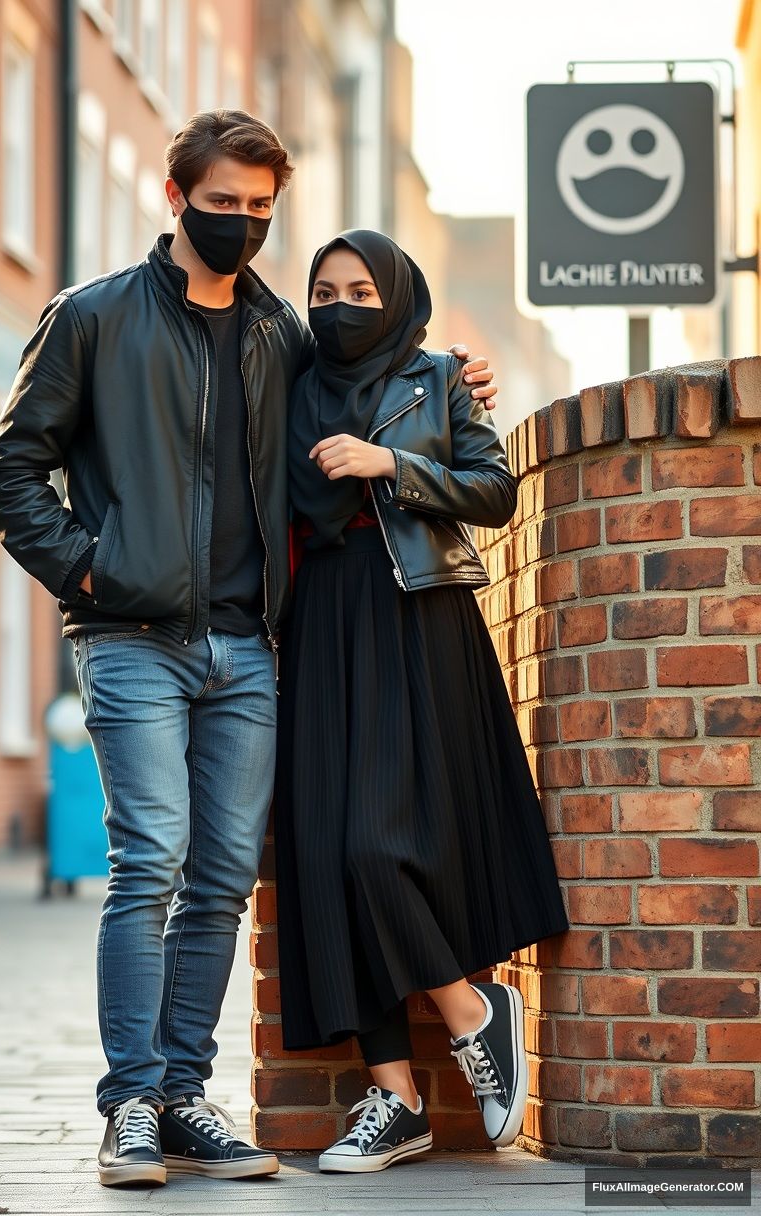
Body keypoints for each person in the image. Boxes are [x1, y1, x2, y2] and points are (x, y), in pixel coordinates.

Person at [0, 111, 498, 1189]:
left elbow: (377, 368)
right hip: (132, 636)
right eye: (223, 206)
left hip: (249, 646)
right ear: (176, 199)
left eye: (261, 211)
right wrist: (89, 570)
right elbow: (8, 475)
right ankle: (129, 1102)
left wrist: (454, 381)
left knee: (219, 878)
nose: (243, 226)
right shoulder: (91, 319)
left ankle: (181, 1095)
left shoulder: (280, 336)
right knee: (150, 862)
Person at [274, 229, 570, 1174]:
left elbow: (494, 491)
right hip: (319, 625)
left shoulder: (436, 377)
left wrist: (389, 466)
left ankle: (473, 1011)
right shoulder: (284, 381)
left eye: (363, 288)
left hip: (415, 619)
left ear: (398, 296)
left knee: (376, 841)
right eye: (324, 288)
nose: (342, 304)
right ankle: (394, 1097)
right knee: (324, 852)